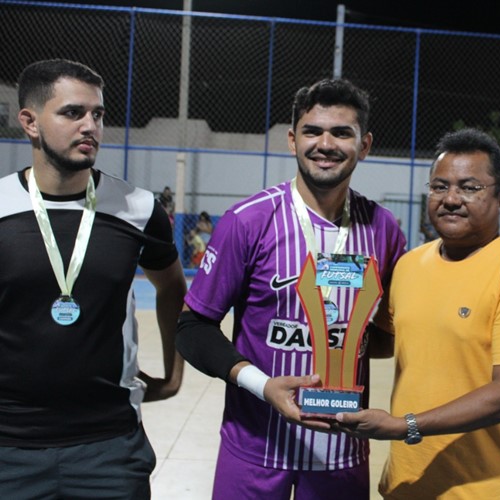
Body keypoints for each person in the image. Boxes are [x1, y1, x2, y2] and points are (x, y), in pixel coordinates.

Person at [176, 78, 406, 499]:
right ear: (291, 139)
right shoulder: (248, 221)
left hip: (342, 453)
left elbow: (388, 336)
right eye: (312, 131)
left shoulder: (385, 230)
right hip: (254, 448)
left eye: (341, 133)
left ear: (365, 144)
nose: (325, 143)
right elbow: (193, 329)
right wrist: (263, 385)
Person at [336, 128, 500, 498]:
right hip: (406, 484)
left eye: (469, 187)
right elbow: (382, 341)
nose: (451, 199)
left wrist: (403, 426)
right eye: (439, 186)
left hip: (483, 490)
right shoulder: (409, 266)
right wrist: (318, 326)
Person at [0, 58, 186, 497]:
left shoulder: (137, 208)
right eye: (72, 113)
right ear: (29, 122)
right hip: (7, 445)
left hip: (110, 446)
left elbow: (173, 288)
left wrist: (174, 374)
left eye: (97, 114)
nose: (90, 126)